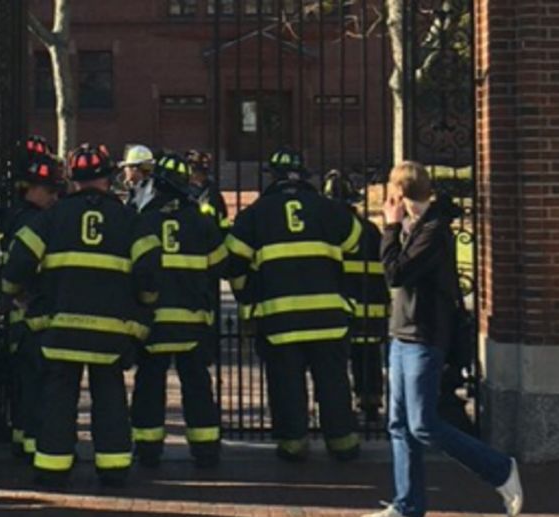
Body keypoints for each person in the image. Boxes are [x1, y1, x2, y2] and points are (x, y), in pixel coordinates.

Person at [361, 161, 523, 517]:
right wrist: (397, 227)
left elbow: (395, 272)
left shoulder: (433, 231)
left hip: (424, 336)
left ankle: (498, 469)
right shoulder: (414, 228)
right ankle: (408, 505)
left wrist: (388, 226)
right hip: (402, 333)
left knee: (423, 424)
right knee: (399, 424)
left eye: (391, 193)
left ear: (399, 194)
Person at [2, 143, 161, 488]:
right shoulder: (129, 219)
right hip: (111, 331)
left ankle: (52, 467)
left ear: (72, 180)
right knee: (110, 397)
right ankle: (114, 467)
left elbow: (16, 266)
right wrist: (143, 306)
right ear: (107, 178)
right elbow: (149, 272)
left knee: (59, 397)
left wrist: (21, 297)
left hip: (60, 328)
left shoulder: (50, 218)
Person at [227, 148, 361, 462]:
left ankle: (293, 443)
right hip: (329, 317)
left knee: (286, 383)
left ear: (272, 176)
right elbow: (356, 243)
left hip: (279, 320)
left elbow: (232, 261)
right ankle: (342, 443)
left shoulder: (255, 214)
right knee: (333, 380)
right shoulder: (329, 210)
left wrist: (248, 298)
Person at [130, 152, 229, 469]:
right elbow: (221, 264)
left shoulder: (143, 220)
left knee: (149, 385)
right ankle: (206, 450)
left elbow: (134, 270)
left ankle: (147, 450)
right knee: (198, 386)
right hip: (193, 322)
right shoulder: (200, 220)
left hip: (153, 321)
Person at [0, 143, 66, 459]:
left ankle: (22, 441)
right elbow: (24, 269)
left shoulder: (15, 216)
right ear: (32, 189)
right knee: (37, 384)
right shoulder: (32, 223)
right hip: (31, 316)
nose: (53, 197)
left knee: (26, 384)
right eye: (48, 190)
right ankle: (34, 445)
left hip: (20, 318)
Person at [323, 170, 389, 426]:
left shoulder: (328, 230)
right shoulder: (370, 229)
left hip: (339, 306)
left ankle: (337, 409)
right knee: (369, 357)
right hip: (371, 304)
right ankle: (370, 405)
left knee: (336, 359)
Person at [186, 150, 230, 230]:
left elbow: (223, 220)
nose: (195, 176)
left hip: (209, 235)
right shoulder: (180, 190)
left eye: (200, 172)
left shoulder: (213, 193)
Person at [120, 144, 157, 213]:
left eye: (127, 167)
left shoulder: (151, 192)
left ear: (133, 169)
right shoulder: (125, 189)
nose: (125, 170)